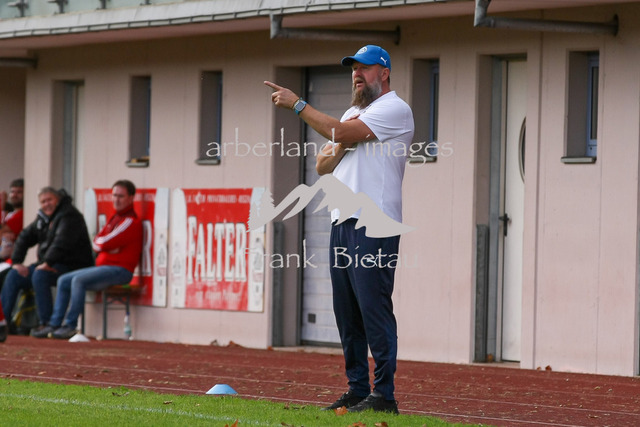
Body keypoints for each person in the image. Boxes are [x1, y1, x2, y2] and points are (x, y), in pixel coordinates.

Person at [265, 45, 414, 414]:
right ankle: (357, 389)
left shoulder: (395, 108)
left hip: (374, 223)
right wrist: (347, 138)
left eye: (364, 68)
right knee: (347, 313)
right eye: (353, 69)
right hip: (342, 221)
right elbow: (322, 164)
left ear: (384, 73)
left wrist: (299, 105)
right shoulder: (351, 113)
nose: (356, 74)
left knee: (374, 308)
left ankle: (384, 396)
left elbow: (340, 134)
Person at [33, 180, 143, 340]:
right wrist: (105, 245)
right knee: (64, 280)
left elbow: (101, 243)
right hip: (103, 269)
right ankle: (54, 324)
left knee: (78, 280)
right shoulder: (115, 218)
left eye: (121, 196)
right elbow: (97, 242)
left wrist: (104, 245)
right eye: (114, 195)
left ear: (131, 198)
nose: (116, 200)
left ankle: (70, 325)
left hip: (120, 271)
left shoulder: (130, 221)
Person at [0, 187, 94, 335]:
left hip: (72, 265)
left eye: (49, 200)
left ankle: (46, 323)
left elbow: (62, 243)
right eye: (43, 202)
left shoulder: (69, 215)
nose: (46, 204)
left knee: (40, 275)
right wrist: (17, 262)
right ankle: (3, 323)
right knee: (14, 275)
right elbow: (24, 237)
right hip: (49, 263)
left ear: (58, 200)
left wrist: (47, 263)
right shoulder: (43, 218)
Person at [0, 178, 24, 342]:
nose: (14, 195)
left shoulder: (21, 215)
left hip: (11, 261)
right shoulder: (9, 214)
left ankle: (3, 322)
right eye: (13, 192)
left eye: (19, 192)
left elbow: (4, 229)